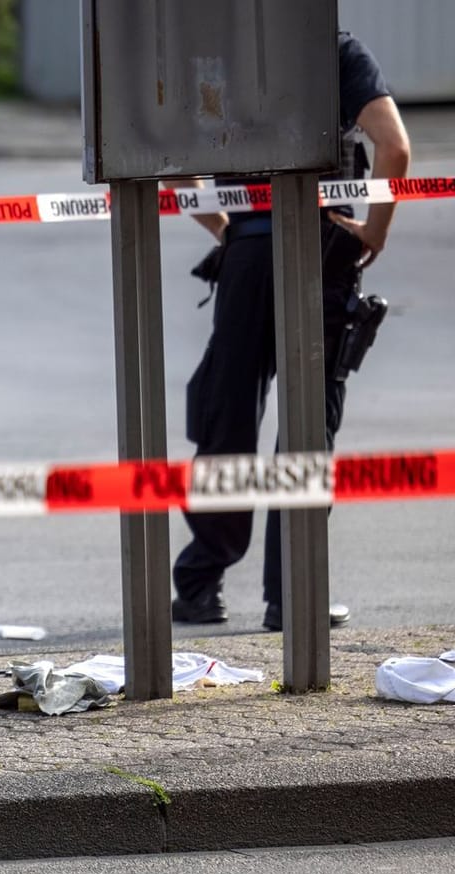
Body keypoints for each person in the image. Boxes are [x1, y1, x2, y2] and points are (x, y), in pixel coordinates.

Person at [171, 31, 412, 633]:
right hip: (322, 249)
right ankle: (291, 595)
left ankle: (201, 584)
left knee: (226, 417)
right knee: (307, 429)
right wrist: (375, 231)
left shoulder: (222, 58)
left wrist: (230, 229)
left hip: (247, 257)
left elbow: (178, 170)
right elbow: (394, 148)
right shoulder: (335, 52)